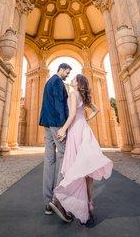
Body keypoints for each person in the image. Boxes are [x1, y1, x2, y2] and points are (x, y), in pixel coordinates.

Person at [53, 74, 113, 225]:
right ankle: (88, 203)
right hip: (84, 129)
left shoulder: (73, 94)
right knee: (87, 169)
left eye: (74, 79)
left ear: (78, 83)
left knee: (76, 166)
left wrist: (63, 129)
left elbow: (72, 114)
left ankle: (70, 203)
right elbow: (96, 109)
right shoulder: (83, 96)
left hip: (75, 130)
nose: (72, 80)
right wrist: (86, 119)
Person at [39, 63, 72, 222]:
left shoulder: (48, 81)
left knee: (49, 160)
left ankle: (47, 203)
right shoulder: (58, 81)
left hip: (47, 122)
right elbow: (59, 104)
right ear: (61, 69)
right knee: (65, 155)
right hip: (57, 123)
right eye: (67, 71)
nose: (68, 74)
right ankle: (56, 200)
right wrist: (63, 128)